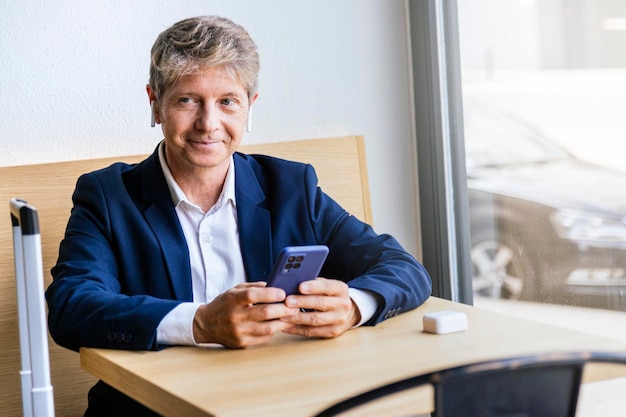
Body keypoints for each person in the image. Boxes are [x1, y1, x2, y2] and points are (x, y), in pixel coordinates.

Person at [46, 15, 432, 417]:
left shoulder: (291, 185)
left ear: (250, 106)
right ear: (155, 103)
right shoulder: (108, 196)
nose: (208, 124)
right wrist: (199, 323)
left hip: (278, 403)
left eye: (227, 101)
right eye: (187, 100)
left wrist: (353, 305)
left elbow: (402, 267)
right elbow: (72, 306)